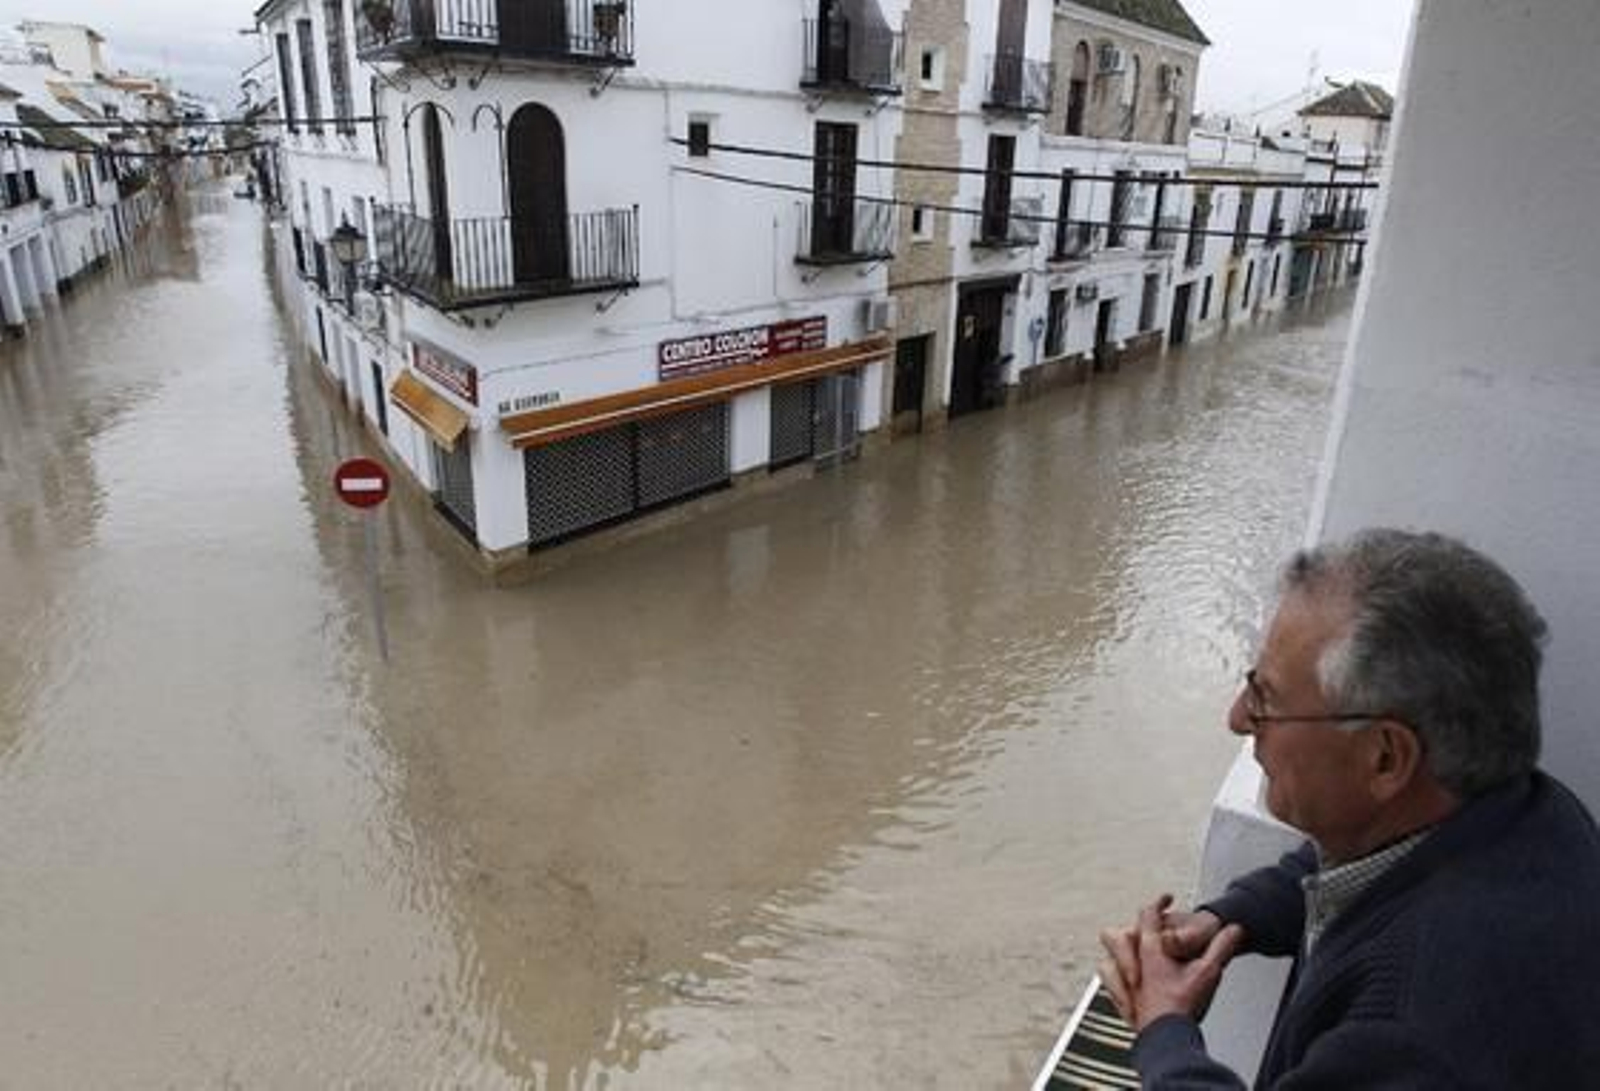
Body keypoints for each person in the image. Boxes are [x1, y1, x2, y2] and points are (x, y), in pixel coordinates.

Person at [1098, 528, 1600, 1089]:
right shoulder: (1527, 813)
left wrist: (1164, 1029)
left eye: (1266, 700)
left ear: (1385, 758)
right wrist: (1224, 920)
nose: (1237, 718)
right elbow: (1349, 867)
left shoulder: (1417, 1026)